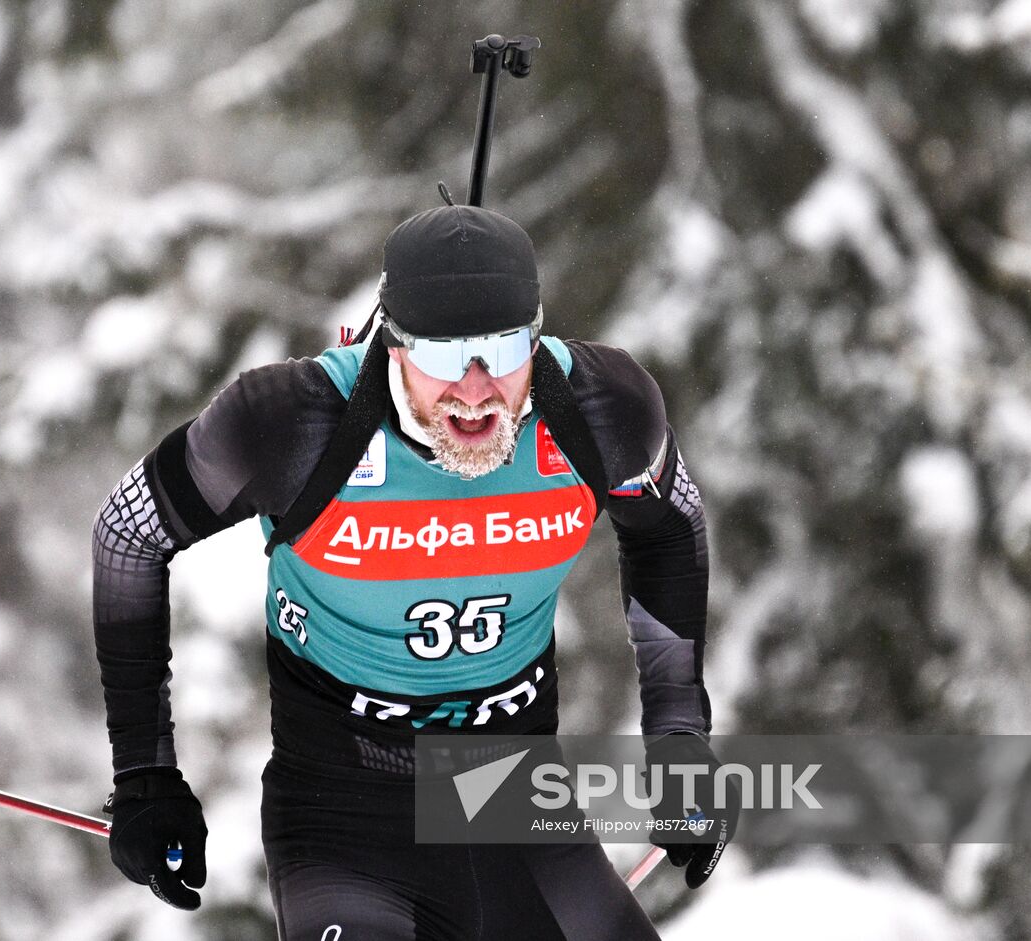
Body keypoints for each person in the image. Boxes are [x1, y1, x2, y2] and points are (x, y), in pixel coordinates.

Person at [92, 205, 731, 939]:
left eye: (503, 347)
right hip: (343, 814)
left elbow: (669, 527)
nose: (477, 388)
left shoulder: (601, 407)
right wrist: (146, 773)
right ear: (392, 345)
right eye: (442, 356)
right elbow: (130, 531)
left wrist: (679, 738)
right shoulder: (294, 426)